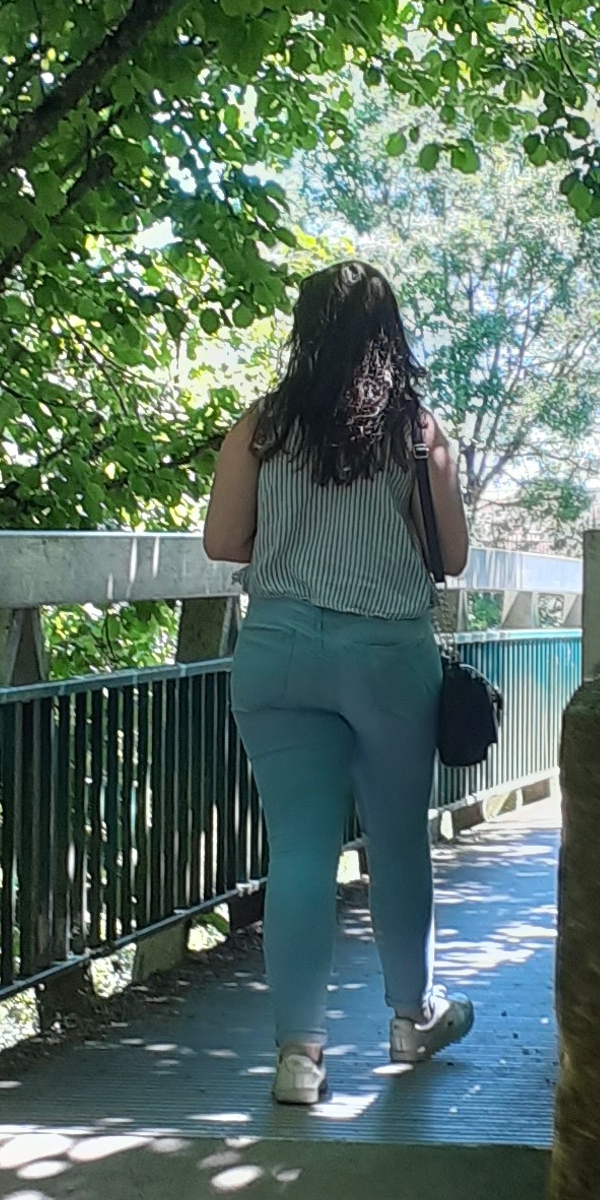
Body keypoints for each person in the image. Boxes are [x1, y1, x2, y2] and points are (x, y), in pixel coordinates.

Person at [203, 262, 477, 1108]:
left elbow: (222, 542)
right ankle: (410, 1017)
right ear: (389, 336)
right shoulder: (419, 434)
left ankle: (298, 1057)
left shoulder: (262, 426)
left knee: (300, 849)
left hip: (280, 649)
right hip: (388, 657)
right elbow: (454, 559)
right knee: (396, 838)